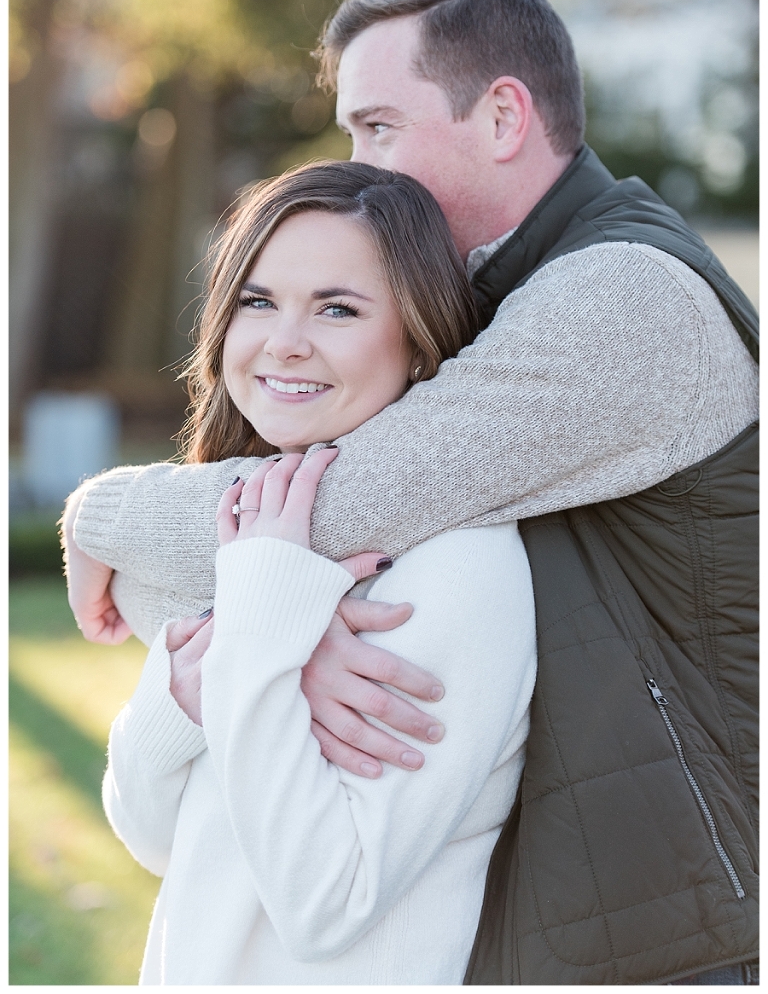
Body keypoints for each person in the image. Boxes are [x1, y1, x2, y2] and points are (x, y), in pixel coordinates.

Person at [64, 0, 758, 985]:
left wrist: (100, 518)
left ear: (504, 116)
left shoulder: (622, 298)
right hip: (593, 887)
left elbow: (338, 509)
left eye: (378, 127)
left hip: (680, 914)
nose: (363, 166)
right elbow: (287, 553)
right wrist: (269, 637)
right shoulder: (517, 286)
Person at [76, 160, 537, 984]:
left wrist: (255, 627)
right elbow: (152, 837)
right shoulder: (256, 526)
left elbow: (328, 901)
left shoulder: (461, 566)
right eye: (258, 300)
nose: (284, 340)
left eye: (337, 308)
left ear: (422, 339)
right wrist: (177, 698)